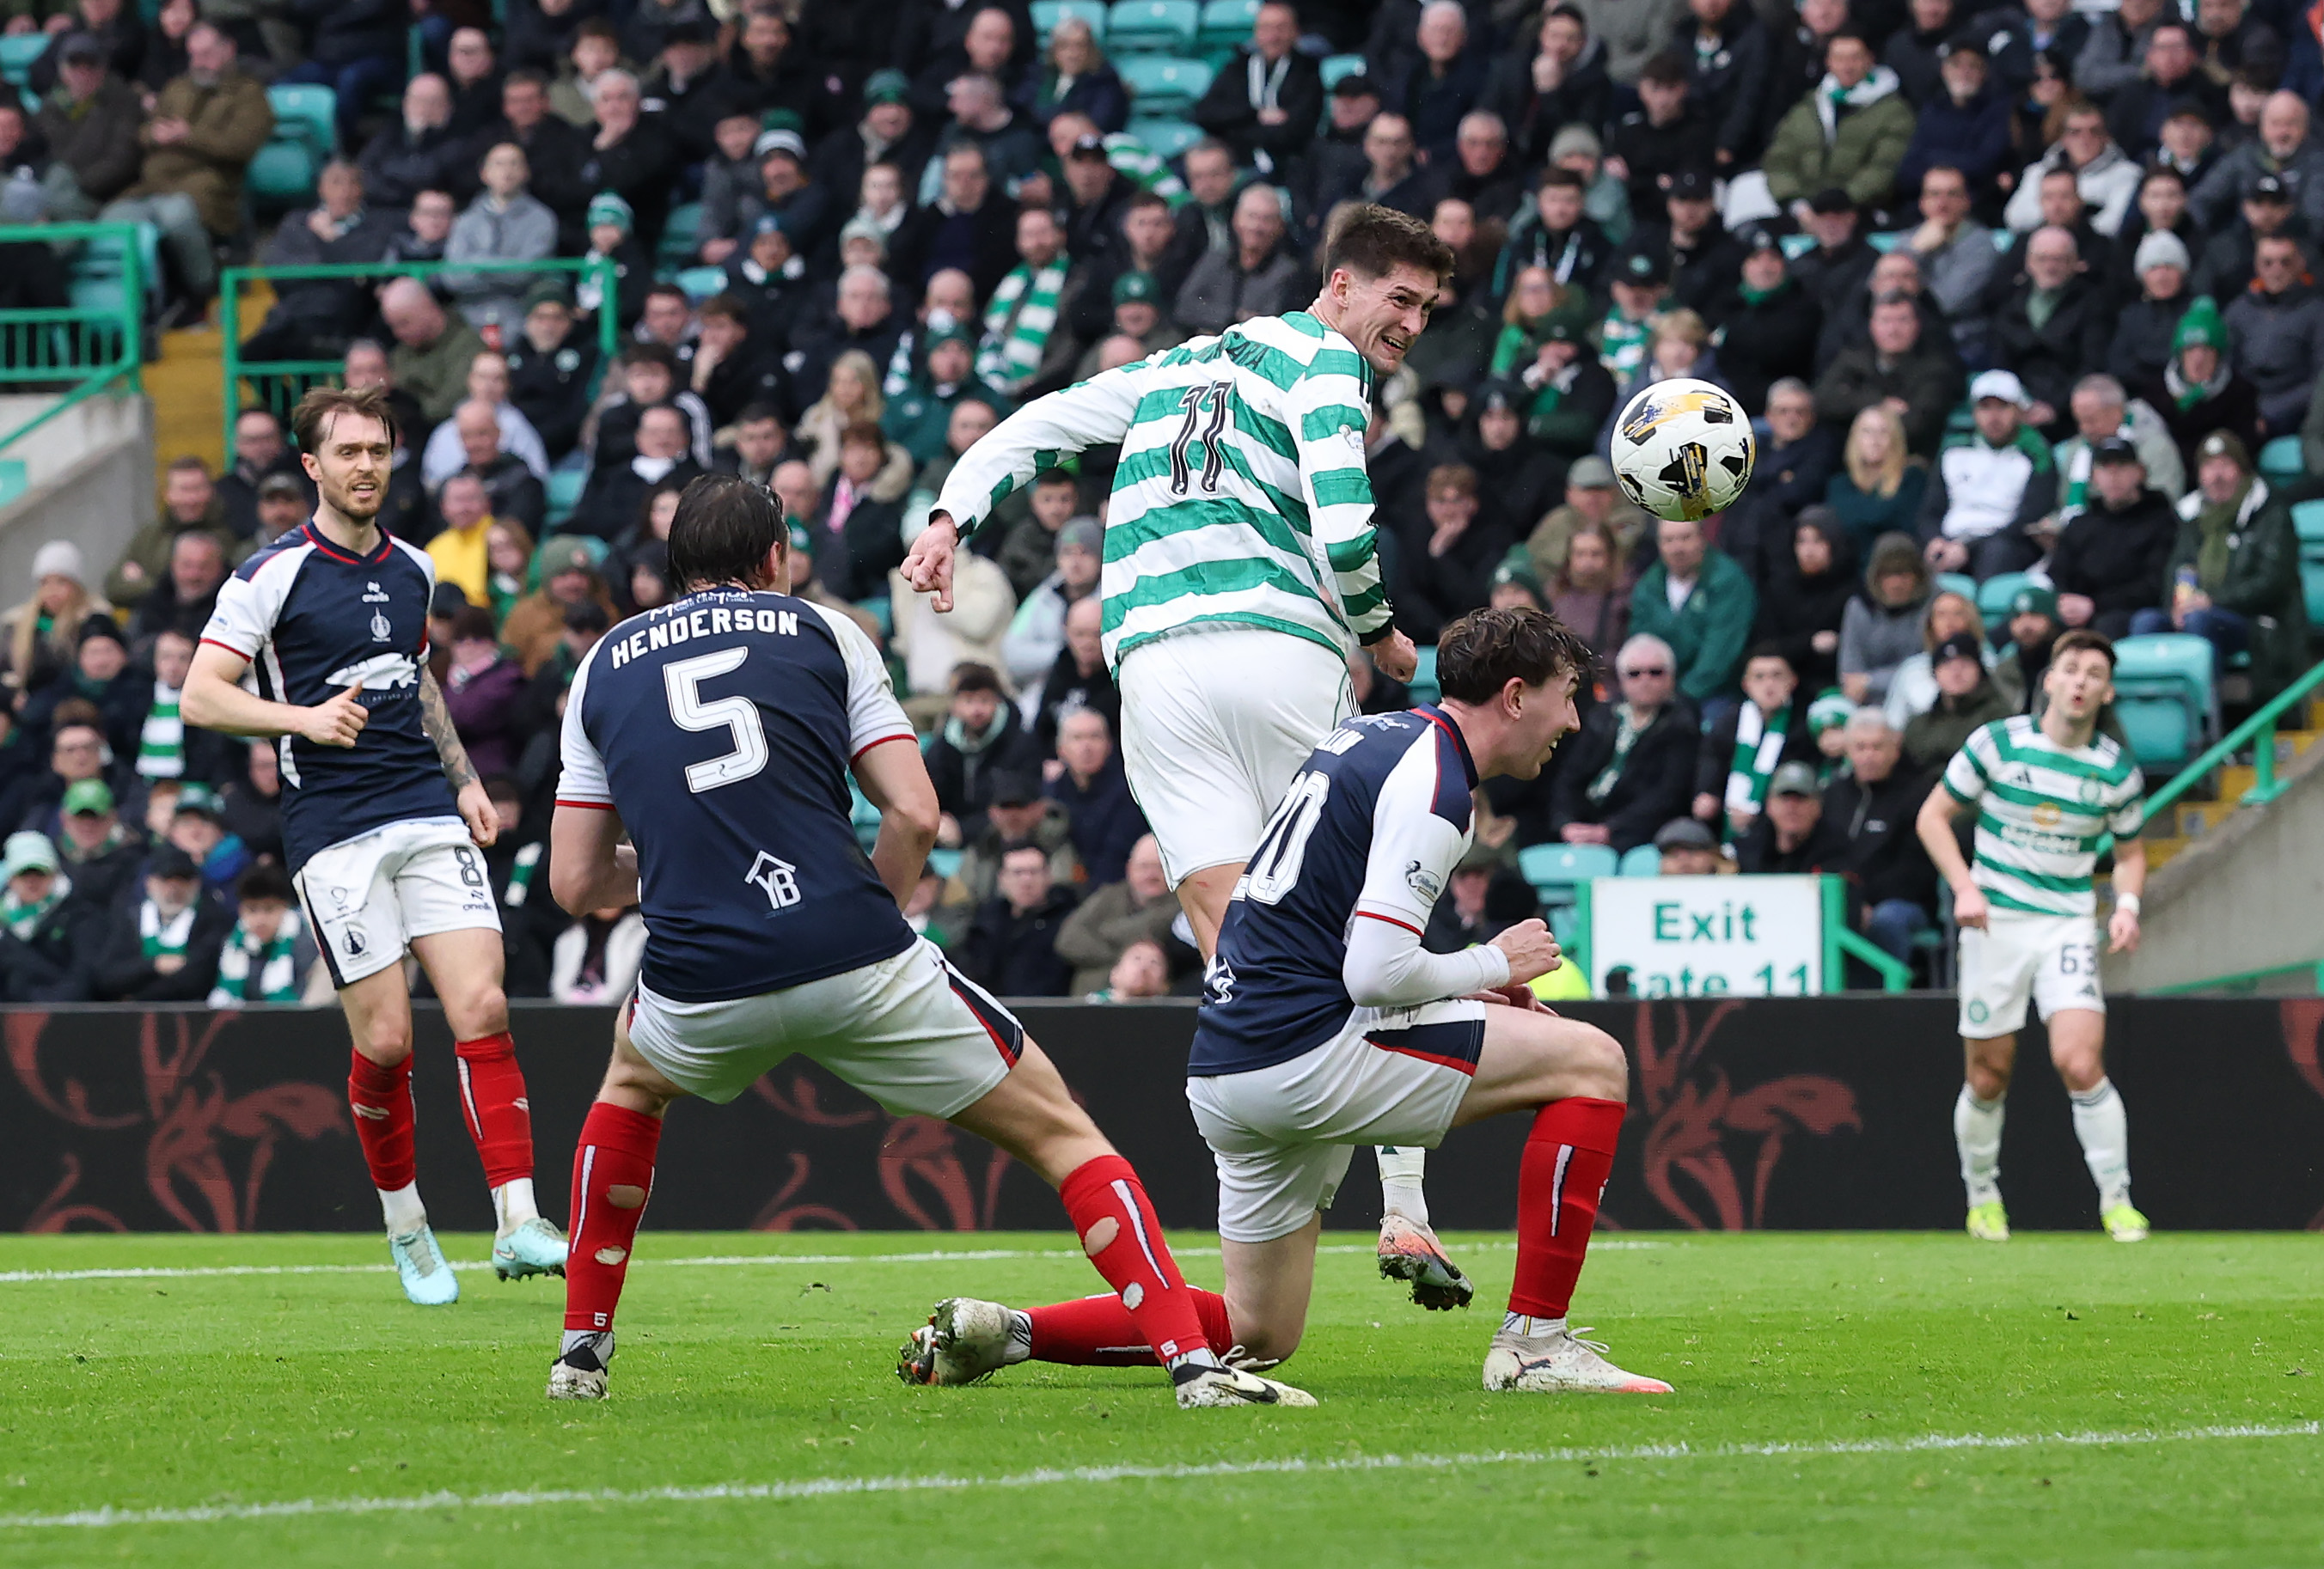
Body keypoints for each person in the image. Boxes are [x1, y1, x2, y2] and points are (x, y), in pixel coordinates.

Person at [546, 476, 1293, 1409]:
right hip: (853, 947)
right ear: (776, 556)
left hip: (702, 975)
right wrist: (865, 915)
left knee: (629, 1087)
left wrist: (686, 881)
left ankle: (581, 1355)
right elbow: (915, 811)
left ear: (671, 564)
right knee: (1063, 1133)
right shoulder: (825, 630)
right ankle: (1192, 1365)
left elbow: (574, 883)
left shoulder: (603, 663)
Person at [900, 204, 1459, 1296]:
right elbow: (1345, 526)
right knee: (1365, 914)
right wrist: (1381, 629)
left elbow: (1033, 428)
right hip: (1276, 646)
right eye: (1400, 298)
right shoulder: (1326, 365)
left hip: (1154, 671)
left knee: (1234, 943)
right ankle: (1403, 1205)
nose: (1412, 324)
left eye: (1428, 309)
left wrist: (946, 517)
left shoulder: (1173, 368)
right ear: (1338, 286)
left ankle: (1259, 1217)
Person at [907, 607, 1670, 1397]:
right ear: (1515, 696)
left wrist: (1471, 979)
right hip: (1306, 1053)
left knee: (1258, 1330)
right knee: (1594, 1061)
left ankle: (1011, 1332)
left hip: (1227, 1063)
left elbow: (1343, 931)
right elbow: (1374, 974)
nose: (1574, 720)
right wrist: (1493, 958)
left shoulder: (1375, 738)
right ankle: (1537, 1344)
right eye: (1568, 695)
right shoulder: (1438, 783)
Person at [181, 387, 567, 1305]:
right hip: (334, 829)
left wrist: (467, 778)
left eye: (378, 450)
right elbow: (202, 694)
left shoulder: (415, 570)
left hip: (425, 809)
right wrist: (302, 719)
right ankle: (406, 1223)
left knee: (482, 1003)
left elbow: (420, 679)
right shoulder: (267, 575)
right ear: (312, 465)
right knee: (388, 1041)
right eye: (347, 451)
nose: (365, 466)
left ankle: (517, 1221)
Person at [1916, 630, 2149, 1244]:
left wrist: (2126, 904)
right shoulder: (1997, 743)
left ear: (2107, 690)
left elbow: (2130, 853)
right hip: (1995, 925)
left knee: (2080, 1061)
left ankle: (2117, 1199)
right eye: (2070, 669)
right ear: (2048, 679)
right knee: (1989, 1075)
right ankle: (1983, 1194)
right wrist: (1965, 887)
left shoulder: (2115, 771)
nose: (2080, 682)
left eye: (2093, 673)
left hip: (2066, 923)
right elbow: (1932, 816)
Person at [2140, 430, 2308, 697]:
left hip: (2254, 619)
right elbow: (2177, 567)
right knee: (2146, 622)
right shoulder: (2192, 516)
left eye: (2225, 466)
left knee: (2200, 622)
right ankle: (2153, 712)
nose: (2216, 476)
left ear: (2242, 470)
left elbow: (2272, 581)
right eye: (2209, 467)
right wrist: (2175, 606)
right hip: (2200, 609)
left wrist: (2213, 601)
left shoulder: (2270, 511)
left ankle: (2206, 721)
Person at [1549, 632, 1697, 852]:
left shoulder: (1684, 725)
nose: (1645, 680)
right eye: (1634, 673)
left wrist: (1609, 830)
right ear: (1621, 679)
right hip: (1585, 824)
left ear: (1672, 677)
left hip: (1640, 834)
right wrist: (1566, 823)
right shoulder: (1602, 718)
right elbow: (1569, 778)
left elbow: (1668, 795)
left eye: (1655, 672)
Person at [1823, 708, 1938, 963]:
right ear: (1848, 752)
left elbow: (1916, 871)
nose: (1868, 756)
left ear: (1894, 749)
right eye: (1860, 748)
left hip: (1901, 901)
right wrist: (1851, 903)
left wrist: (1862, 901)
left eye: (1877, 747)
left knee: (1886, 920)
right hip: (1840, 897)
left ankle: (1887, 1000)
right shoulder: (1833, 795)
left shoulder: (1918, 794)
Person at [1918, 369, 2056, 580]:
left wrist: (1968, 548)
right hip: (1951, 540)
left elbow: (2030, 517)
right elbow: (1931, 509)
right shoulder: (1953, 451)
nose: (1993, 417)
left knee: (1997, 552)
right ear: (1974, 412)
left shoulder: (2037, 455)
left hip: (2005, 543)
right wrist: (1935, 539)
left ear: (2019, 410)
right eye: (1985, 407)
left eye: (2002, 407)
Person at [2045, 436, 2179, 638]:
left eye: (2122, 466)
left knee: (2107, 626)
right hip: (2076, 610)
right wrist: (2066, 603)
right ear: (2094, 476)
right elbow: (2057, 574)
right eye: (2106, 467)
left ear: (2140, 472)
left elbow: (2153, 585)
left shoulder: (2161, 522)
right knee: (2031, 625)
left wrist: (2094, 605)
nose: (2113, 475)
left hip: (2129, 613)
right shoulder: (2081, 524)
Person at [1627, 514, 1756, 711]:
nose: (1677, 548)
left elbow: (1719, 655)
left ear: (1702, 539)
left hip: (1716, 693)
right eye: (1668, 540)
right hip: (1658, 692)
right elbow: (1641, 642)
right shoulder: (1648, 585)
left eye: (1686, 538)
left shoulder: (1728, 581)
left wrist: (1680, 698)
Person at [1694, 644, 1821, 839]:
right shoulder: (1729, 723)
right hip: (1725, 822)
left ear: (1793, 681)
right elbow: (1712, 762)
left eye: (1777, 676)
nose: (1768, 685)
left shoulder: (1806, 726)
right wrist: (1708, 794)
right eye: (1759, 677)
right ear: (1746, 685)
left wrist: (1758, 812)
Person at [1839, 533, 1936, 705]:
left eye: (1904, 574)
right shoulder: (1860, 606)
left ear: (1918, 575)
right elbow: (1850, 673)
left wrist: (1871, 682)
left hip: (1920, 699)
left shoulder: (1936, 605)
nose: (1896, 584)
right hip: (1867, 703)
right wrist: (1862, 684)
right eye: (1888, 575)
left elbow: (1931, 667)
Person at [206, 859, 315, 1006]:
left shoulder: (304, 944)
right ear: (240, 910)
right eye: (252, 910)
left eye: (269, 909)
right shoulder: (234, 944)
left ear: (285, 907)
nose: (260, 920)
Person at [1904, 631, 2015, 769]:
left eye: (1964, 664)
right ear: (1934, 674)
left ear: (1979, 670)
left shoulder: (1998, 717)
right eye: (1947, 665)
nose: (1956, 673)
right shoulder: (1919, 724)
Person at [1734, 760, 1846, 874]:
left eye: (1801, 799)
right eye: (1784, 798)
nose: (1791, 807)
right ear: (1769, 805)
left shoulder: (1837, 855)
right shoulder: (1749, 852)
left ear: (1817, 806)